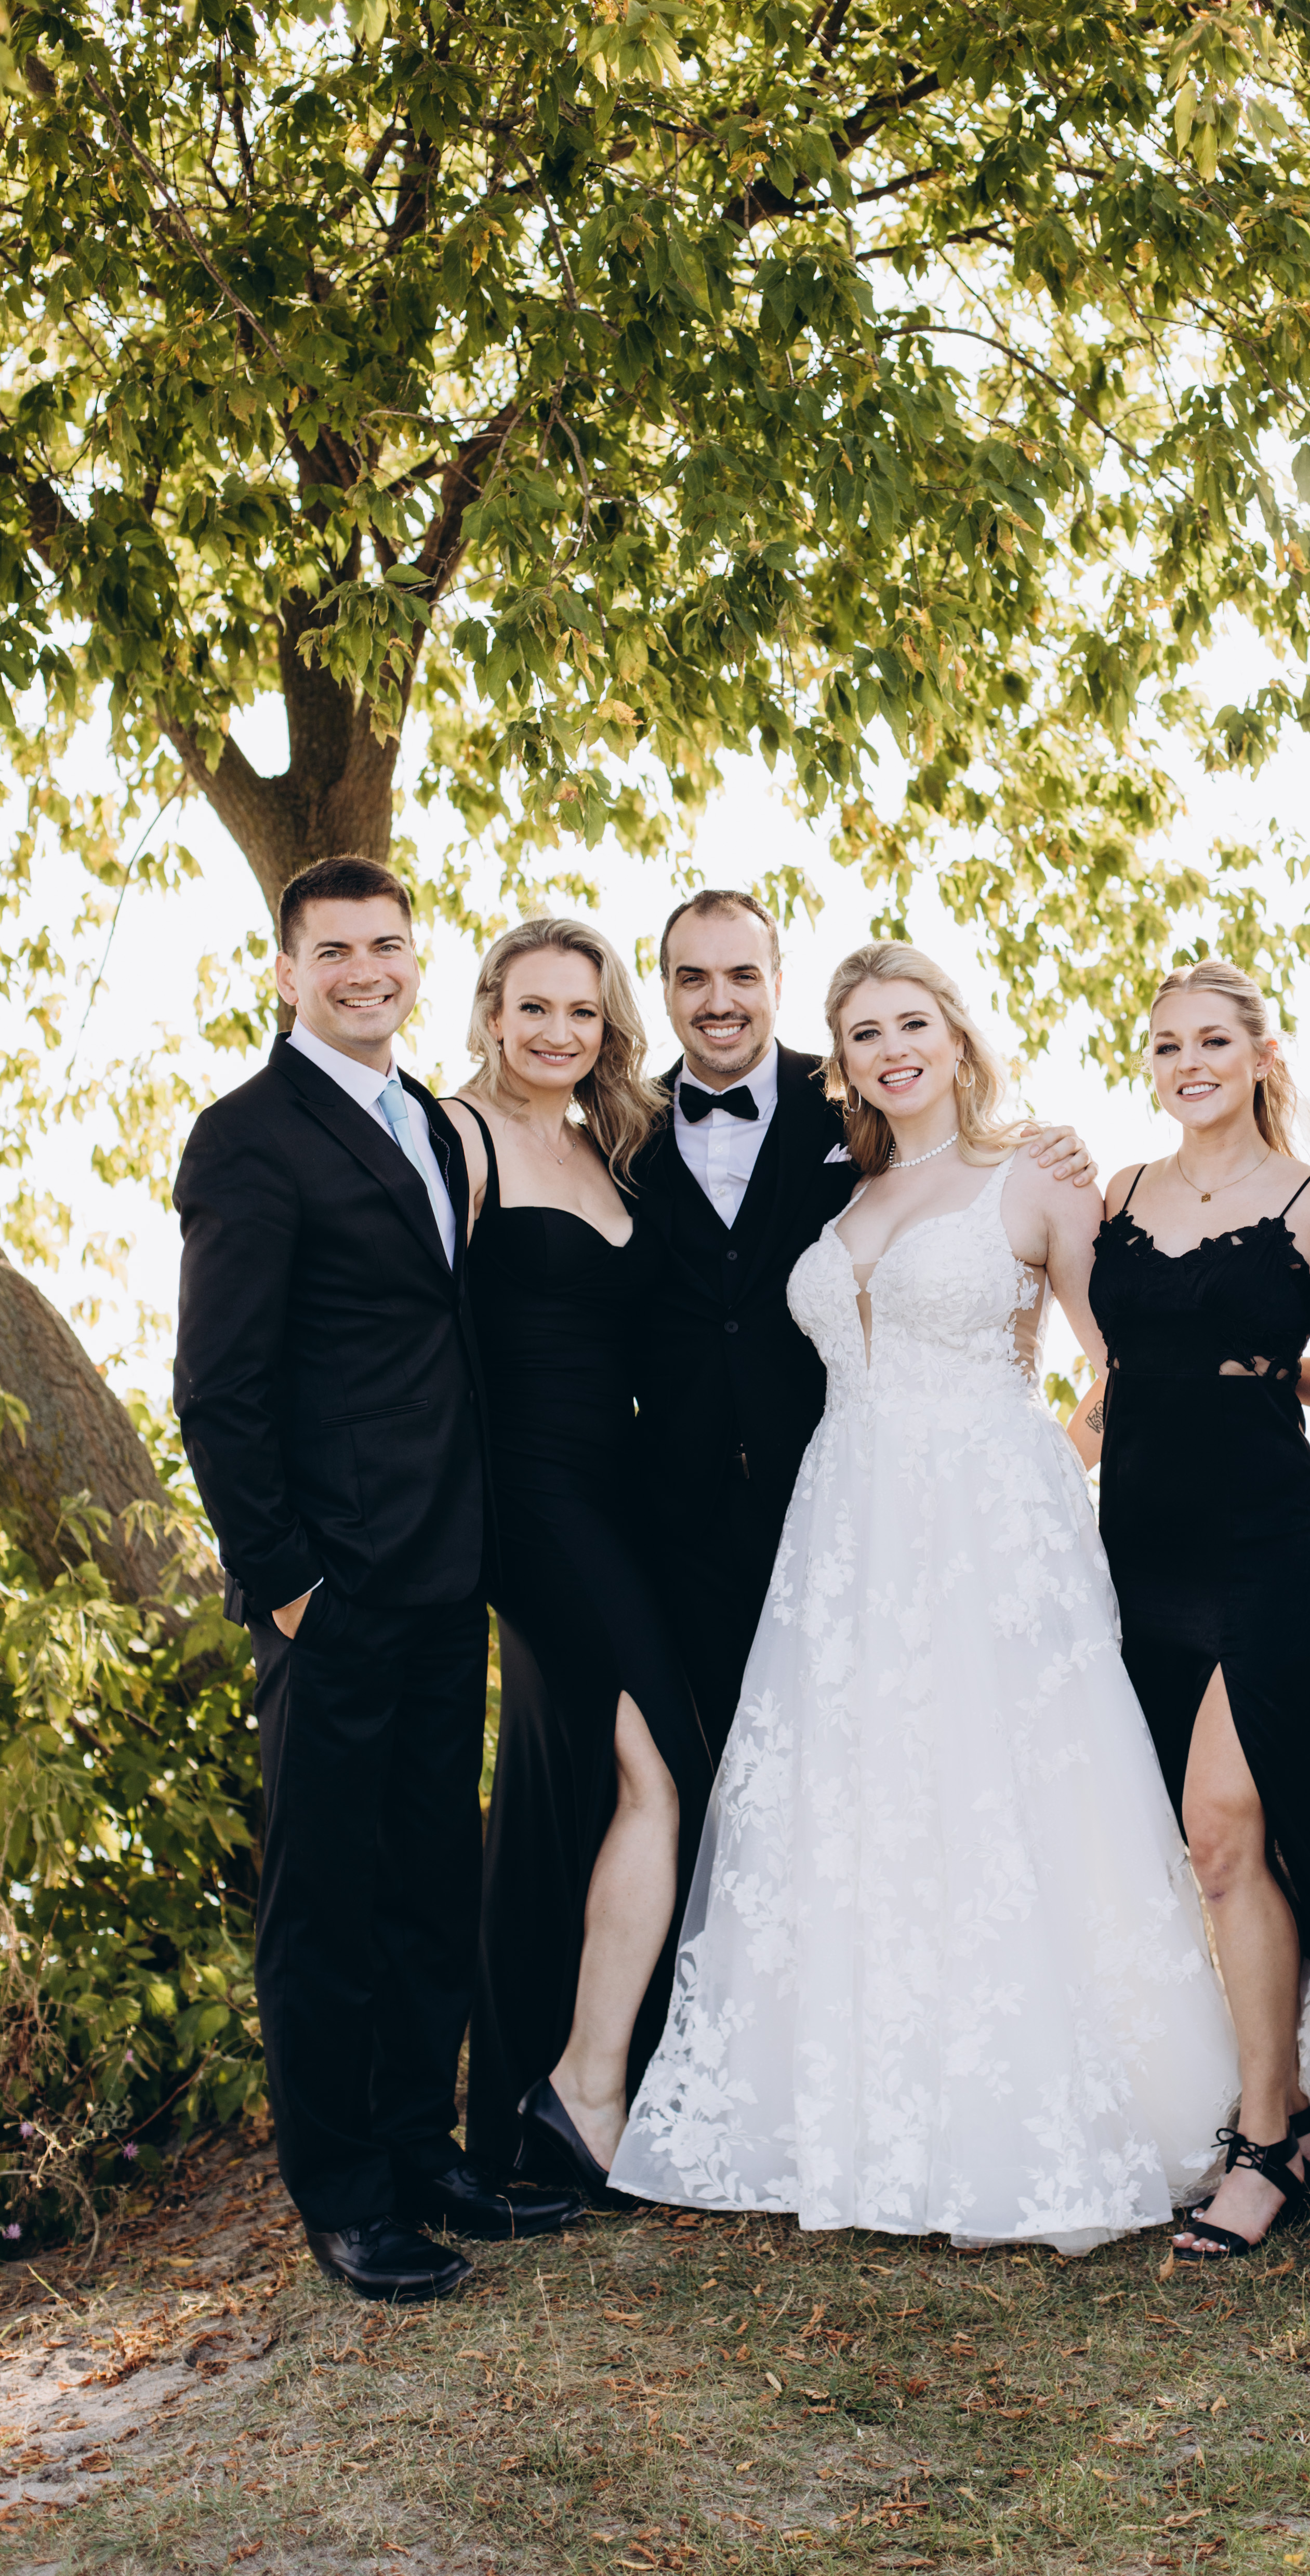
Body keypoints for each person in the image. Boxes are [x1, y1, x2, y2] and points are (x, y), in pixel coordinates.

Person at [610, 942, 1243, 2251]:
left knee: (1008, 1791)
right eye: (862, 1033)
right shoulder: (841, 1193)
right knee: (866, 1797)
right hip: (845, 1539)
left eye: (910, 1023)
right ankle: (863, 2108)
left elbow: (1126, 1364)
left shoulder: (1036, 1176)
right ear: (839, 1063)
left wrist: (1037, 1460)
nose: (890, 1049)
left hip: (988, 1534)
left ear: (955, 1036)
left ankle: (1052, 2103)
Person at [171, 858, 577, 2305]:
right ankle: (343, 2194)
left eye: (387, 946)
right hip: (334, 1588)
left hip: (445, 1567)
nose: (364, 972)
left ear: (416, 961)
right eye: (334, 950)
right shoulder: (247, 1137)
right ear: (287, 971)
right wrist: (286, 1581)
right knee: (326, 1905)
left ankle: (422, 2152)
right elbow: (218, 1388)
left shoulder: (429, 1123)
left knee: (427, 1884)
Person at [1074, 962, 1310, 2260]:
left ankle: (1263, 2138)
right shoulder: (1116, 1193)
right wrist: (1032, 1483)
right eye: (1166, 1045)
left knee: (1221, 1830)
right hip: (1137, 1549)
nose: (1188, 1064)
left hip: (1270, 1545)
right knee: (1215, 1850)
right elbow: (1122, 1373)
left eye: (1213, 1041)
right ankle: (1295, 2111)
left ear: (1263, 1054)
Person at [630, 888, 1094, 1758]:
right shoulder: (618, 1123)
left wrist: (1039, 1477)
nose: (719, 999)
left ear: (776, 983)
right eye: (693, 977)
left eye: (742, 974)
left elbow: (1115, 1355)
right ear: (663, 987)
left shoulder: (845, 1110)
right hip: (734, 1514)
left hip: (940, 1509)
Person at [442, 919, 713, 2209]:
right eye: (536, 1007)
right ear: (492, 1012)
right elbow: (412, 1326)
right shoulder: (456, 1139)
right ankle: (583, 2091)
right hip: (527, 1499)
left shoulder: (611, 1144)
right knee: (661, 1770)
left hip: (622, 1496)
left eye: (584, 1012)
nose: (559, 1032)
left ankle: (563, 2087)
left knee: (580, 1788)